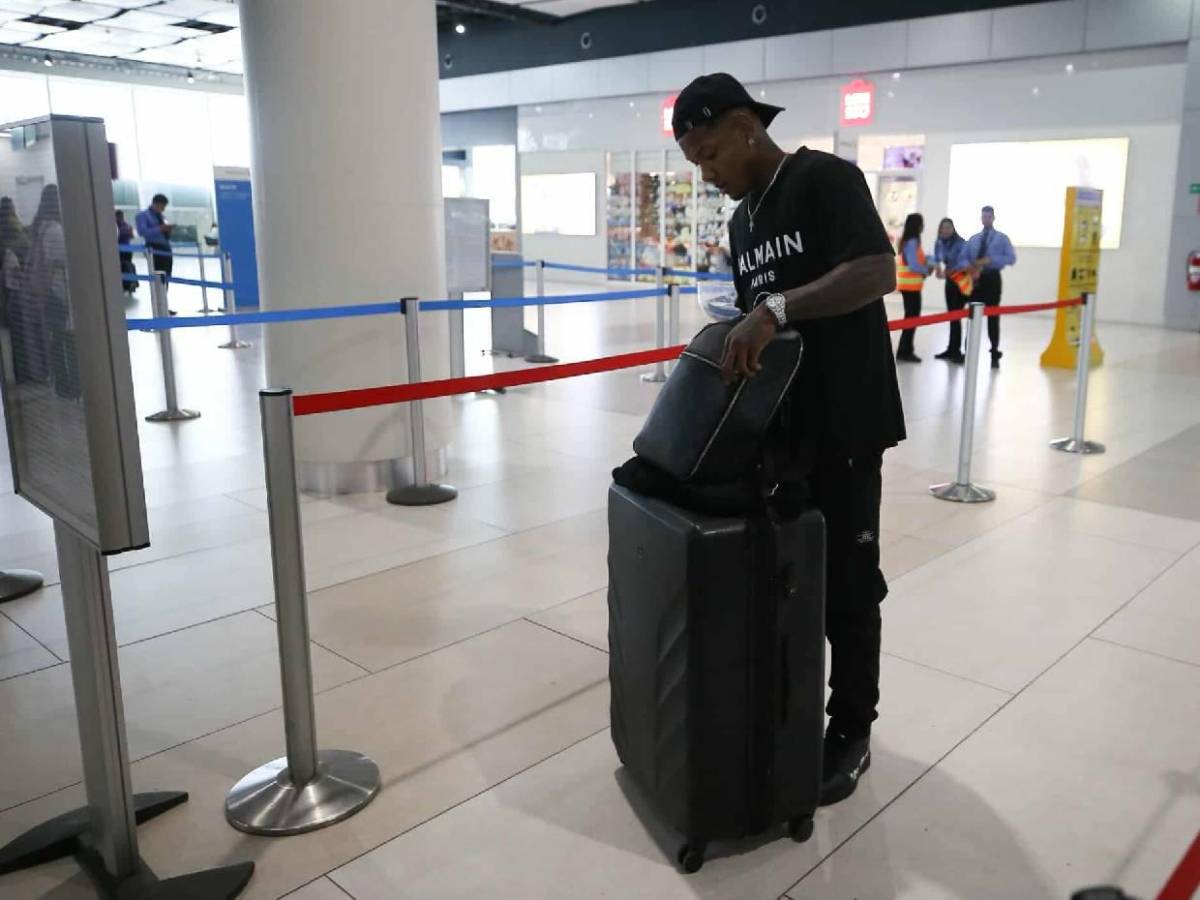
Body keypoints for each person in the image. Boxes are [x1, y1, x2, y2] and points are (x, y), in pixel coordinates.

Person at [675, 73, 905, 807]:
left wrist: (774, 307)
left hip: (847, 421)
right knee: (790, 579)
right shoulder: (744, 223)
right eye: (696, 164)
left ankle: (853, 730)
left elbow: (876, 272)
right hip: (783, 432)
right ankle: (793, 709)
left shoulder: (823, 179)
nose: (707, 175)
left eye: (710, 154)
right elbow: (758, 326)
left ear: (747, 127)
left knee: (849, 584)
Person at [966, 205, 1016, 368]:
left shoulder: (1002, 238)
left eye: (988, 217)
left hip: (992, 279)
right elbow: (965, 258)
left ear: (993, 218)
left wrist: (991, 260)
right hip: (976, 280)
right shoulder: (973, 239)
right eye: (983, 217)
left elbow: (1011, 258)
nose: (986, 219)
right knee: (972, 316)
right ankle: (968, 351)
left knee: (993, 317)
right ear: (981, 218)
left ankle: (994, 352)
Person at [931, 217, 972, 363]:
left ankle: (960, 352)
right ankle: (952, 349)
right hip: (950, 281)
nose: (946, 230)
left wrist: (948, 271)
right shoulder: (939, 242)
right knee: (952, 316)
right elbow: (936, 258)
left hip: (962, 281)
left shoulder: (961, 243)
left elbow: (964, 263)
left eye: (949, 227)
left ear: (953, 229)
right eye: (944, 227)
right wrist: (937, 269)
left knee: (957, 315)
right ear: (940, 229)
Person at [895, 213, 934, 363]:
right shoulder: (912, 242)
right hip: (910, 287)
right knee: (912, 319)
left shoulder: (910, 241)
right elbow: (913, 265)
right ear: (918, 225)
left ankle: (904, 350)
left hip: (911, 286)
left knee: (911, 318)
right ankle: (905, 351)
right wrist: (926, 270)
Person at [136, 193, 174, 292]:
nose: (163, 209)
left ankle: (164, 302)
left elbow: (165, 232)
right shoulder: (142, 216)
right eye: (162, 206)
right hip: (154, 249)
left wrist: (169, 230)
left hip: (166, 249)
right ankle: (158, 304)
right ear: (155, 204)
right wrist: (160, 229)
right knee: (158, 277)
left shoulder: (162, 217)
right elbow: (143, 232)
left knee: (166, 277)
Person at [116, 210, 137, 295]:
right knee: (127, 265)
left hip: (123, 250)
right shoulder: (127, 225)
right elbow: (132, 236)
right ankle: (130, 283)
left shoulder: (119, 226)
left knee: (125, 265)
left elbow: (132, 236)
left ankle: (129, 283)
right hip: (126, 249)